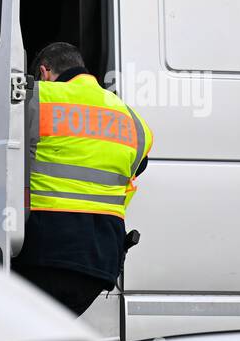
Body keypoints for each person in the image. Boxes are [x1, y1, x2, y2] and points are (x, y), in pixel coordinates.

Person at [13, 42, 153, 316]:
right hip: (99, 265)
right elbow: (138, 166)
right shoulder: (133, 121)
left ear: (44, 72)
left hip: (42, 254)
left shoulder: (36, 96)